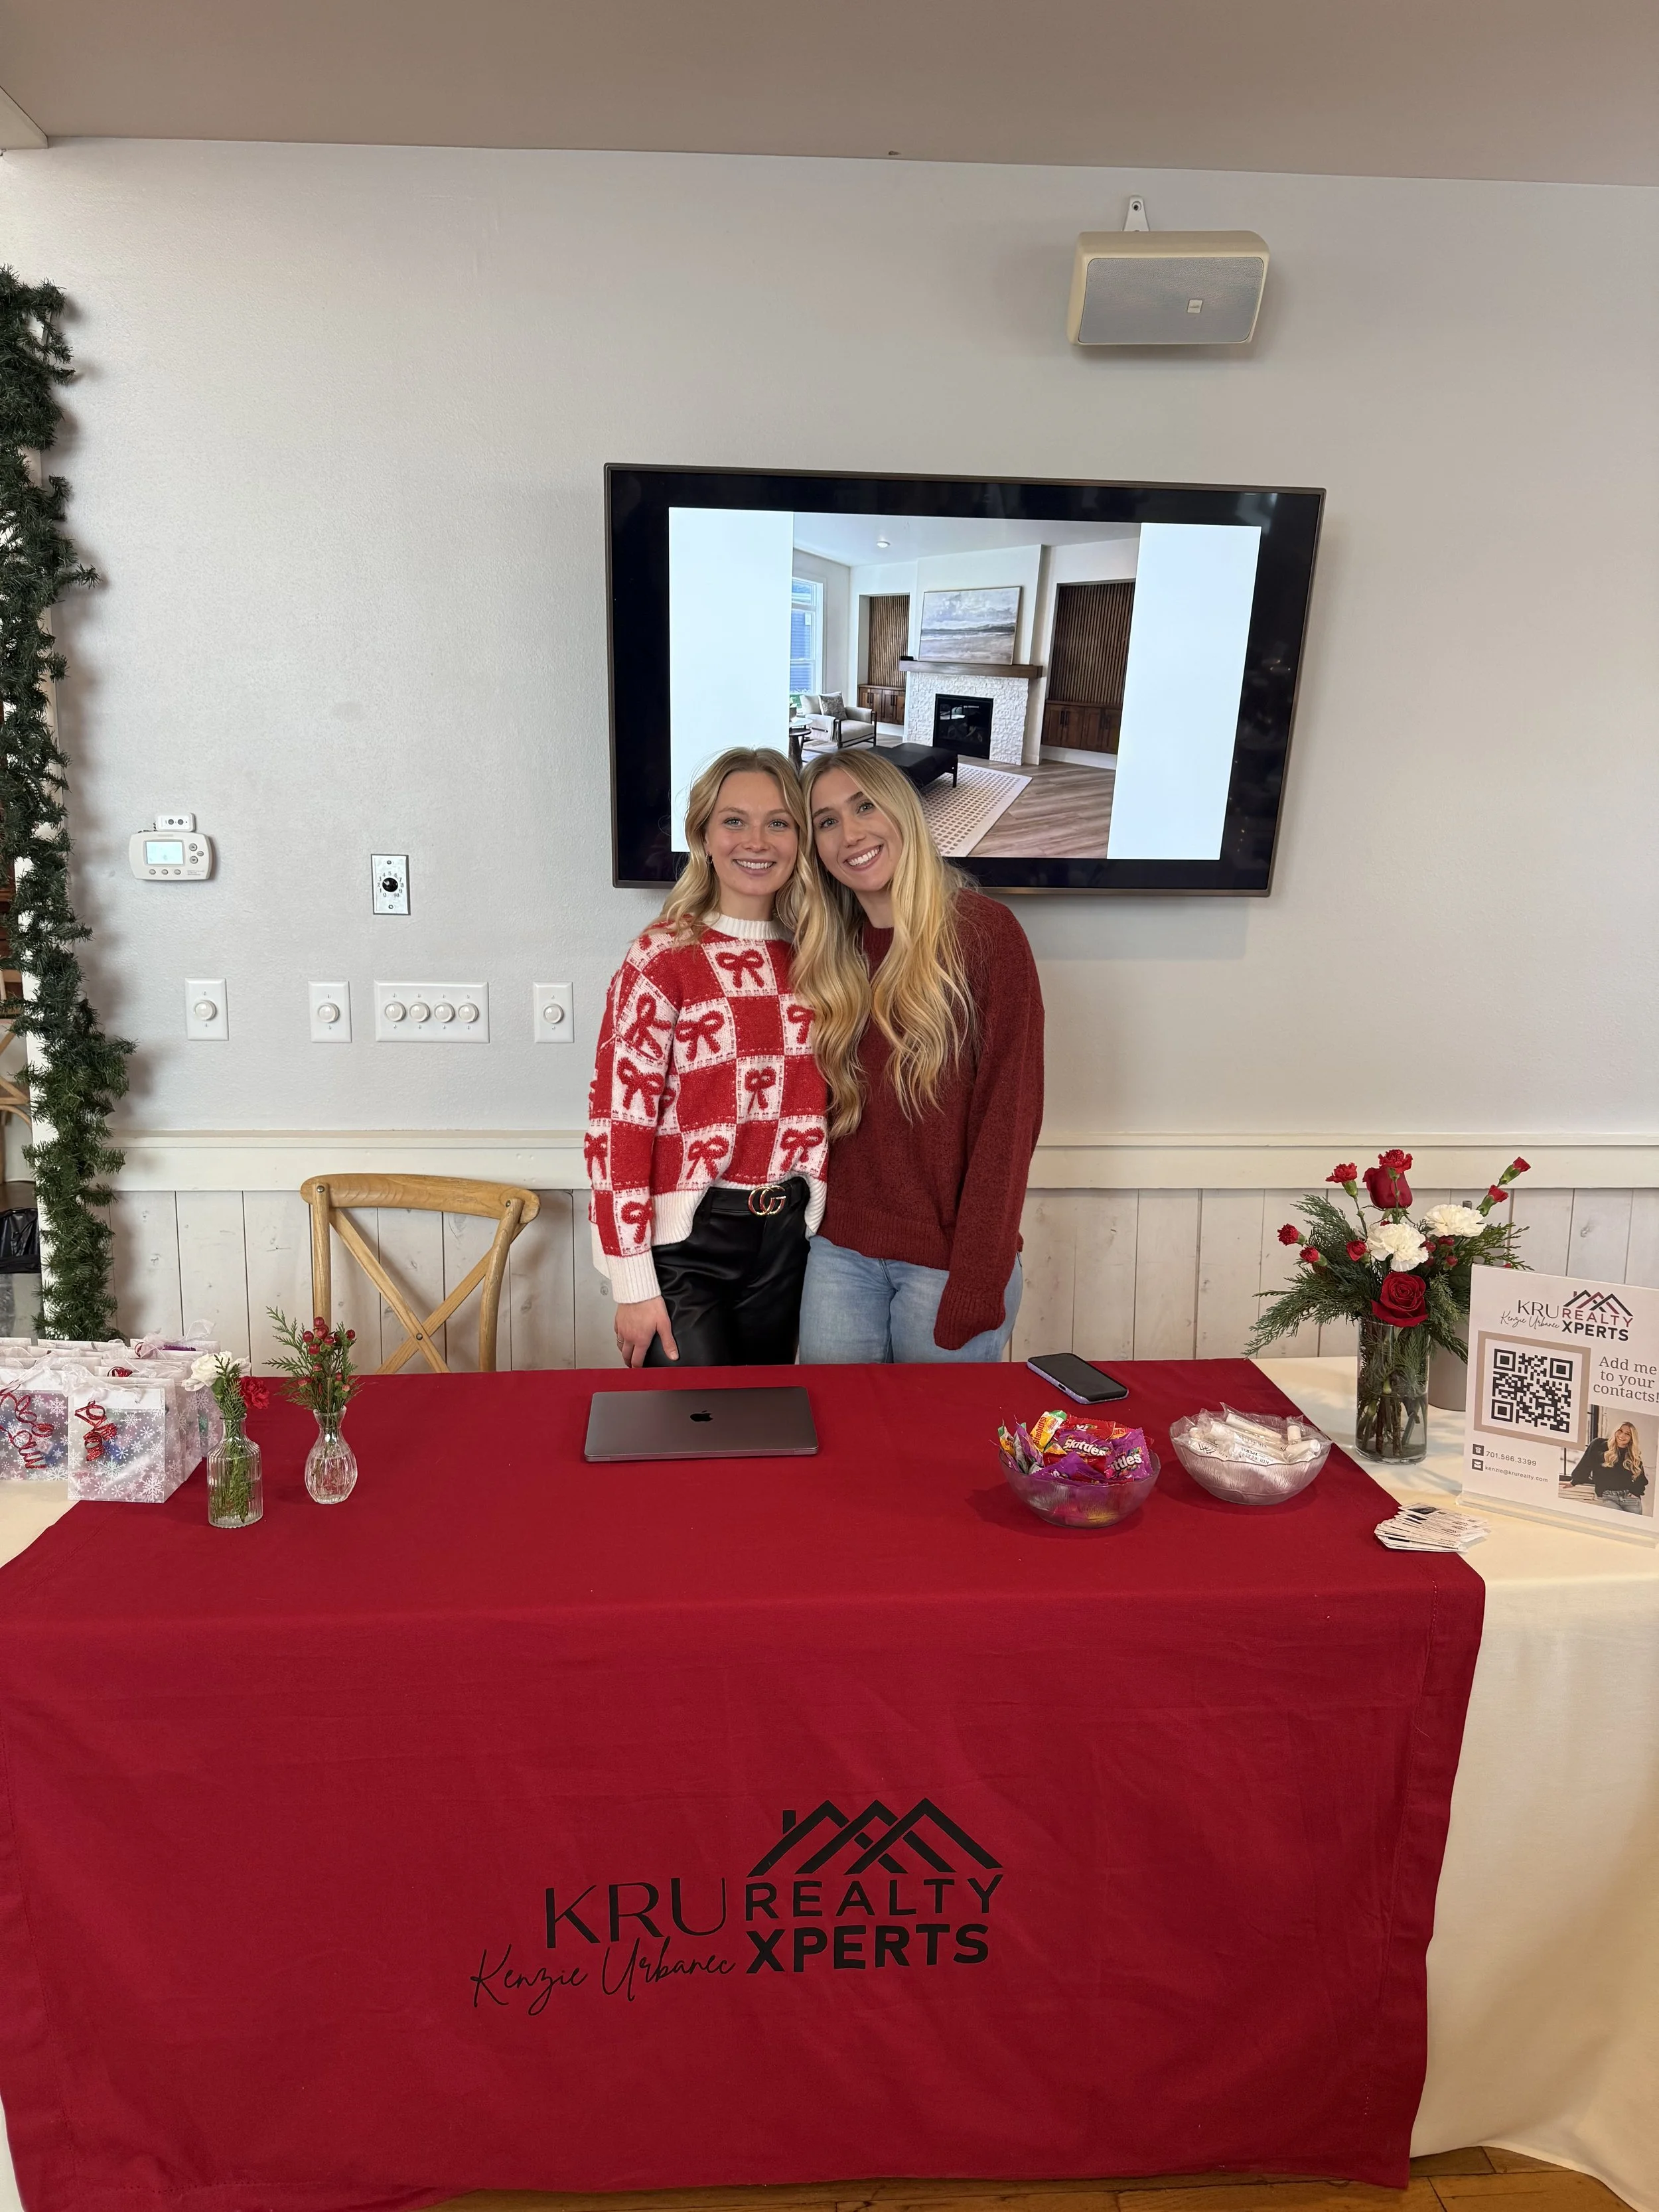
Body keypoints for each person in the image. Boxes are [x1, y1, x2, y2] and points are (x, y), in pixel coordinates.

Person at [790, 747, 1043, 1363]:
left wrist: (978, 1277)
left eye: (864, 806)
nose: (850, 834)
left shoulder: (987, 935)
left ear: (902, 810)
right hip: (838, 1254)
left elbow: (1008, 1120)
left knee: (935, 1455)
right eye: (825, 821)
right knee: (839, 1446)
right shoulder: (825, 952)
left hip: (950, 1263)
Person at [586, 747, 828, 1367]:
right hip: (688, 1243)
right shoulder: (662, 957)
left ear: (800, 838)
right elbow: (617, 1125)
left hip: (787, 1240)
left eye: (779, 822)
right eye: (734, 820)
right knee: (692, 1437)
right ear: (703, 835)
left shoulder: (821, 958)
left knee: (770, 1434)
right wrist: (632, 1282)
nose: (757, 840)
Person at [1567, 1420, 1649, 1513]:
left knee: (1634, 1526)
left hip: (1630, 1498)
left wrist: (1636, 1493)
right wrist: (1574, 1481)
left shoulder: (1632, 1455)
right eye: (1620, 1431)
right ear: (1615, 1431)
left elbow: (1641, 1478)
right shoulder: (1599, 1444)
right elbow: (1586, 1463)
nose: (1622, 1436)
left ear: (1631, 1438)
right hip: (1608, 1497)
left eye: (1627, 1434)